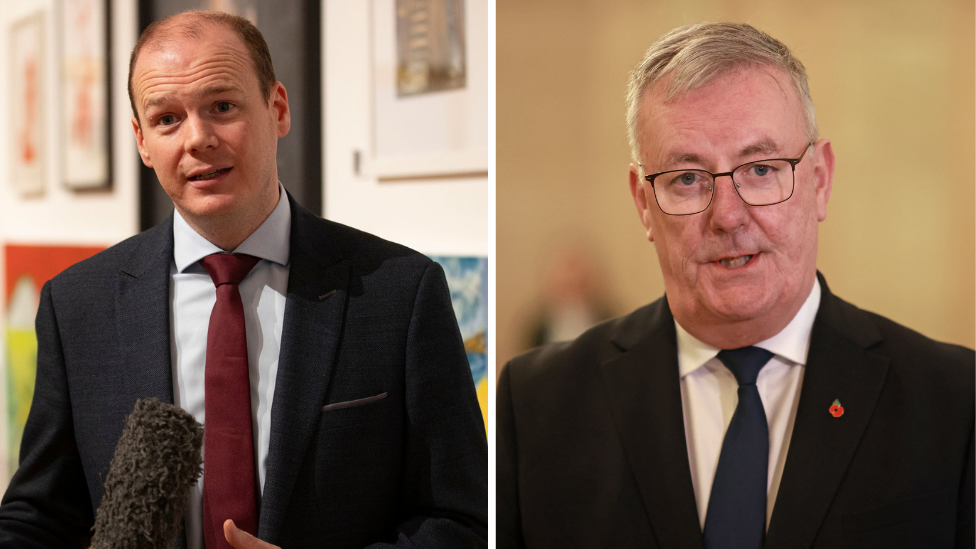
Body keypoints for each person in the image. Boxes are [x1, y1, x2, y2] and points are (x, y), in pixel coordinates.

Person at [0, 11, 487, 549]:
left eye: (222, 107)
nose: (198, 139)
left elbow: (457, 520)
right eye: (167, 119)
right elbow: (42, 515)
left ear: (277, 108)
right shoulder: (77, 306)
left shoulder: (401, 293)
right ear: (141, 141)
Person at [497, 22, 973, 549]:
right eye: (686, 178)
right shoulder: (537, 404)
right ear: (643, 204)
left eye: (762, 169)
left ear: (819, 180)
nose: (727, 215)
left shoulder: (955, 403)